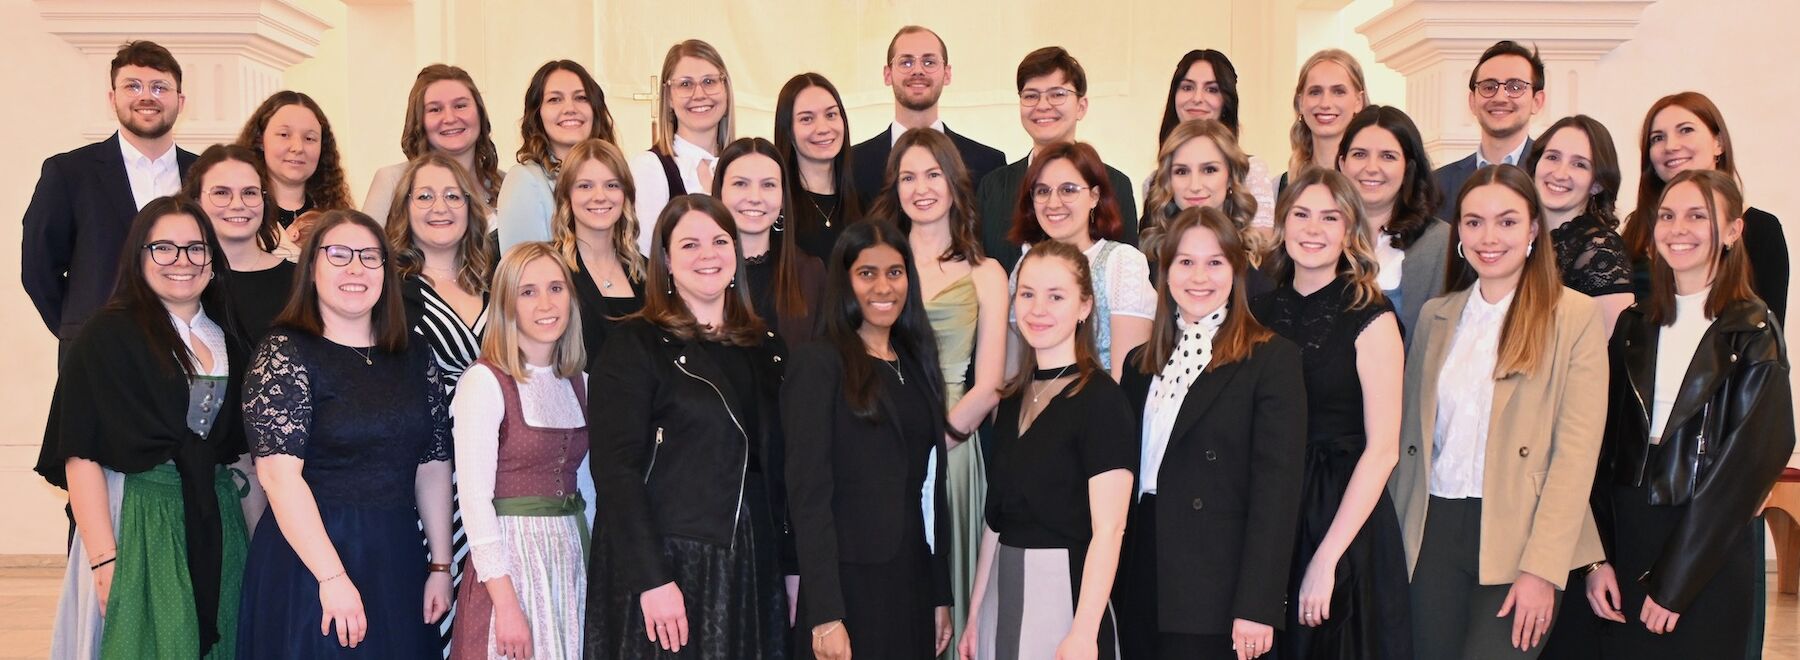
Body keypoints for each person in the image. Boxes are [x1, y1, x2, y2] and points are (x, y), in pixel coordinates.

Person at [1392, 165, 1607, 659]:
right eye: (1473, 222)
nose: (1489, 237)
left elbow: (1574, 458)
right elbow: (1412, 440)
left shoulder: (1573, 317)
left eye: (1507, 222)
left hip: (1520, 534)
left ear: (1534, 229)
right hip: (1431, 531)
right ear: (1460, 232)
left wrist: (1543, 569)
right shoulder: (1435, 317)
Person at [1581, 170, 1794, 659]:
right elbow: (1598, 447)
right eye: (1669, 216)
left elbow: (1744, 471)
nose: (1679, 228)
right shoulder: (1635, 324)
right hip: (1627, 528)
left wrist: (1675, 581)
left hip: (1705, 541)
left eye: (1698, 216)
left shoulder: (1754, 330)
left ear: (1733, 231)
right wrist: (1595, 561)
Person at [36, 196, 249, 659]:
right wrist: (105, 558)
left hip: (216, 519)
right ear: (139, 257)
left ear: (212, 259)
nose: (182, 261)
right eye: (164, 248)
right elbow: (81, 453)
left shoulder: (228, 335)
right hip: (138, 518)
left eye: (196, 248)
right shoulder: (107, 335)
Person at [237, 209, 454, 657]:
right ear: (311, 268)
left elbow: (432, 463)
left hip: (396, 553)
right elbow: (279, 478)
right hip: (311, 557)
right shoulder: (285, 351)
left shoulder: (413, 354)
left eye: (370, 256)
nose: (355, 267)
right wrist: (332, 578)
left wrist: (440, 563)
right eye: (338, 254)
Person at [585, 195, 793, 659]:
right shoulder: (633, 345)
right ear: (666, 260)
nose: (708, 255)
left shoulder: (767, 348)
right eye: (691, 244)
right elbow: (615, 472)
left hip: (752, 561)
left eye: (720, 241)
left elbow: (783, 469)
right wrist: (652, 578)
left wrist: (792, 566)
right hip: (670, 562)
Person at [1113, 205, 1307, 660]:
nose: (1199, 276)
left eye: (1215, 262)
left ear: (1237, 271)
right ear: (1165, 272)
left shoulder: (1271, 359)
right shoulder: (1139, 363)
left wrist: (1258, 603)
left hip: (1216, 583)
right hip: (1143, 569)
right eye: (1185, 262)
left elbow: (1277, 494)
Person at [1251, 168, 1411, 659]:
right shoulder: (1257, 310)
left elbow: (1382, 451)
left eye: (1330, 217)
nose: (1313, 229)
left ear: (1350, 230)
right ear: (1282, 224)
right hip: (1271, 507)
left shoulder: (1373, 315)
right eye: (1301, 215)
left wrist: (1327, 557)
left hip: (1342, 518)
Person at [784, 219, 955, 660]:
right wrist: (824, 614)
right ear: (845, 281)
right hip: (847, 589)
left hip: (911, 581)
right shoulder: (818, 364)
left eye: (895, 273)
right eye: (867, 273)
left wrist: (940, 594)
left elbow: (930, 490)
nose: (884, 287)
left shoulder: (918, 363)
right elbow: (808, 495)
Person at [869, 126, 1010, 655]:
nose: (920, 187)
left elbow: (993, 381)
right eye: (907, 176)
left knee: (949, 587)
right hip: (881, 437)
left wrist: (936, 440)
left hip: (954, 442)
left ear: (953, 183)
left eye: (932, 174)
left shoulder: (986, 272)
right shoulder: (877, 268)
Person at [959, 240, 1135, 660]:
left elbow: (1110, 531)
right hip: (1002, 593)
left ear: (1084, 307)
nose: (1038, 309)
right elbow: (994, 522)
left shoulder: (1103, 401)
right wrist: (974, 614)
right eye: (1027, 294)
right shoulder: (1012, 398)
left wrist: (1084, 632)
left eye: (1056, 296)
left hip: (1067, 602)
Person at [448, 242, 591, 660]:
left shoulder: (581, 382)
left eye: (556, 288)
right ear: (507, 304)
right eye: (528, 292)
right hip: (511, 564)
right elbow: (474, 501)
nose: (546, 303)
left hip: (568, 559)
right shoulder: (485, 381)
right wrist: (506, 605)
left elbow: (588, 487)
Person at [24, 40, 197, 347]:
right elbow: (38, 269)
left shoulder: (203, 175)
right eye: (133, 86)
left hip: (189, 347)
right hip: (96, 351)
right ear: (112, 97)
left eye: (160, 87)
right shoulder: (69, 172)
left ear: (180, 101)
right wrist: (79, 329)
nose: (146, 96)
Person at [1622, 91, 1787, 323]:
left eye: (1685, 130)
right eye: (1657, 138)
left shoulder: (1762, 229)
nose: (1670, 145)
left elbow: (1767, 336)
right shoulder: (1636, 227)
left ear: (1718, 143)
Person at [975, 46, 1139, 272]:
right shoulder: (993, 186)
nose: (1043, 106)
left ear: (1081, 107)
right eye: (1031, 96)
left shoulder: (1114, 183)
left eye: (1057, 94)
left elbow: (1126, 272)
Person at [1009, 141, 1154, 377]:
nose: (1053, 203)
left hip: (1100, 407)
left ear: (1095, 196)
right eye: (1043, 191)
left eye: (1068, 190)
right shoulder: (1025, 264)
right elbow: (1015, 367)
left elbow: (1128, 378)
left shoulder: (1120, 262)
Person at [850, 25, 1005, 206]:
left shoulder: (988, 164)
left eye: (929, 62)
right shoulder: (853, 164)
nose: (917, 70)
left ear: (947, 74)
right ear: (887, 74)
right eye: (906, 62)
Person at [1336, 105, 1450, 342]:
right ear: (1341, 163)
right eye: (1359, 154)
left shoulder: (1440, 242)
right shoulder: (1319, 236)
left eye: (1388, 156)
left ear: (1408, 167)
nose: (1371, 167)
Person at [386, 154, 495, 395]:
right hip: (429, 430)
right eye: (425, 196)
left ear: (469, 207)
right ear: (404, 207)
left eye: (452, 196)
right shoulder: (387, 289)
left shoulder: (496, 283)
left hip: (500, 430)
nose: (440, 207)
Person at [1524, 115, 1633, 336]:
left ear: (1596, 184)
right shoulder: (1516, 235)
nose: (1560, 173)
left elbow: (1608, 352)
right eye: (1553, 157)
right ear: (1536, 165)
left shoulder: (1601, 249)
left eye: (1579, 164)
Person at [179, 143, 297, 346]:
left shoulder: (300, 281)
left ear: (264, 200)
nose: (237, 204)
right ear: (196, 201)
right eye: (221, 193)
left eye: (249, 193)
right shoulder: (179, 279)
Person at [495, 60, 617, 253]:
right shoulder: (524, 180)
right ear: (537, 114)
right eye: (555, 100)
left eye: (581, 98)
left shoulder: (614, 176)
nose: (570, 108)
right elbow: (522, 274)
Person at [364, 64, 507, 228]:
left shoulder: (506, 185)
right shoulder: (392, 181)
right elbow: (362, 249)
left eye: (460, 106)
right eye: (435, 109)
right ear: (419, 120)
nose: (450, 118)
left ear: (480, 113)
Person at [713, 137, 826, 343]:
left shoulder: (810, 272)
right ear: (720, 192)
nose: (755, 197)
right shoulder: (700, 268)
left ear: (783, 198)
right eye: (740, 184)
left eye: (768, 185)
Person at [629, 39, 736, 254]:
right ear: (668, 97)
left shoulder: (741, 165)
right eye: (685, 84)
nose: (699, 94)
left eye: (709, 81)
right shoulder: (649, 168)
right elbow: (648, 261)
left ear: (725, 89)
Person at [1154, 49, 1276, 233]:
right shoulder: (1153, 183)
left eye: (1211, 89)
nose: (1197, 98)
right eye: (1187, 87)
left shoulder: (1252, 172)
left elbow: (1261, 249)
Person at [551, 137, 647, 369]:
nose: (600, 196)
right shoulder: (549, 267)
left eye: (612, 185)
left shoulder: (646, 271)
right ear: (567, 196)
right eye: (585, 186)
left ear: (626, 194)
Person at [1141, 118, 1276, 282]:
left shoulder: (1258, 257)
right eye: (1182, 171)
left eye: (1209, 170)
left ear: (1231, 177)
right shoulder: (1149, 257)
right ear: (1168, 180)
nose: (1195, 185)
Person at [1433, 41, 1546, 221]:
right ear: (1472, 102)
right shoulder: (1438, 185)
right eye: (1488, 87)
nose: (1500, 97)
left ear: (1537, 101)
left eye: (1515, 87)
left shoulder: (1552, 179)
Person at [234, 91, 355, 257]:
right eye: (284, 135)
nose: (298, 147)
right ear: (260, 140)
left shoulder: (340, 219)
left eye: (309, 138)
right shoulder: (237, 213)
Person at [773, 73, 863, 259]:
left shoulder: (865, 201)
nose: (822, 128)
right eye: (807, 119)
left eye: (831, 115)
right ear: (788, 130)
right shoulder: (775, 206)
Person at [1284, 49, 1368, 192]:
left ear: (1358, 101)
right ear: (1300, 102)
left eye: (1338, 92)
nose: (1325, 103)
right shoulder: (1278, 188)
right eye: (1315, 92)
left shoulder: (1373, 182)